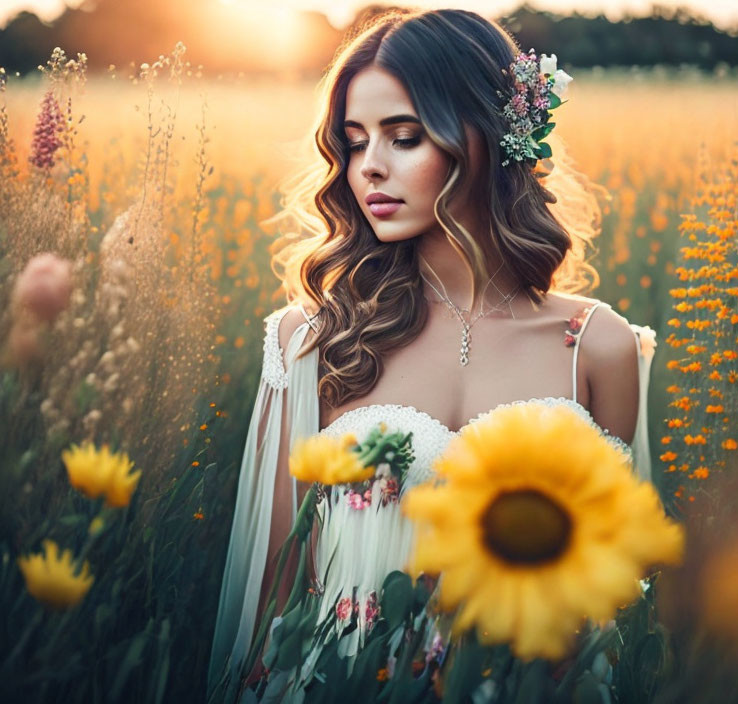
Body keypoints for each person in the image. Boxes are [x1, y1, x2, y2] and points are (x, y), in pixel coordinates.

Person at [207, 7, 656, 702]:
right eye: (354, 143)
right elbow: (270, 611)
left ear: (489, 134)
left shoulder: (596, 345)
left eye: (405, 137)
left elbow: (612, 601)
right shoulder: (314, 342)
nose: (369, 169)